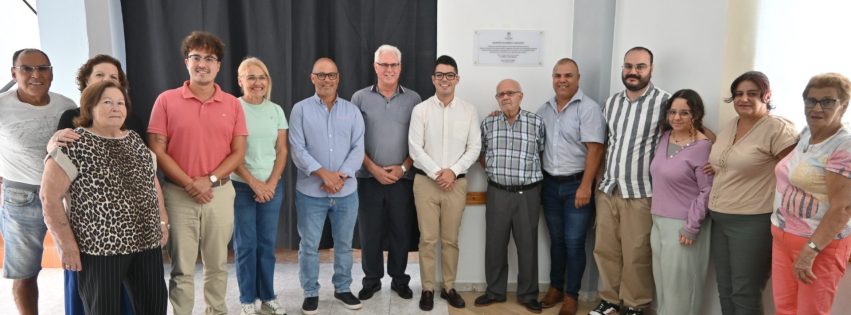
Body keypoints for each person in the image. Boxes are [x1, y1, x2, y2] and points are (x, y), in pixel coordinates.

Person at [40, 80, 169, 315]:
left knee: (154, 307)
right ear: (89, 107)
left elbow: (152, 185)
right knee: (103, 310)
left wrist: (162, 221)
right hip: (99, 249)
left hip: (146, 241)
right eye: (107, 102)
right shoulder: (73, 144)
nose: (115, 108)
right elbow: (49, 198)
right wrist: (67, 244)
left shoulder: (134, 141)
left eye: (120, 103)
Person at [147, 31, 248, 315]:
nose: (202, 64)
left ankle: (216, 310)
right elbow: (157, 149)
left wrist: (210, 180)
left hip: (220, 193)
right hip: (179, 195)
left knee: (217, 265)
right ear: (186, 62)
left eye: (209, 58)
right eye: (196, 57)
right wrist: (191, 183)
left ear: (218, 66)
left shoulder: (232, 104)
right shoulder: (166, 100)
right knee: (182, 268)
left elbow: (238, 152)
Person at [47, 53, 138, 315]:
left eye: (113, 77)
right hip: (89, 233)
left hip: (129, 232)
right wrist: (51, 143)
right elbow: (54, 169)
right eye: (100, 75)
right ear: (86, 80)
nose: (107, 81)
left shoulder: (130, 119)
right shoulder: (70, 118)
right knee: (93, 299)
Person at [708, 71, 797, 315]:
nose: (743, 99)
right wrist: (716, 164)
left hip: (752, 222)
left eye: (752, 94)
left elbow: (795, 176)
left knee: (744, 292)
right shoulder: (731, 125)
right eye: (738, 94)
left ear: (766, 96)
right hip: (719, 218)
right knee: (725, 288)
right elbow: (731, 159)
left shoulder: (777, 129)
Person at [591, 47, 669, 315]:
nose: (633, 72)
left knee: (637, 253)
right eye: (628, 66)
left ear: (651, 69)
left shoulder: (665, 102)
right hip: (608, 190)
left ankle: (636, 304)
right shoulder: (611, 102)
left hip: (640, 192)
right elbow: (606, 143)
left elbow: (685, 133)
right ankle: (610, 301)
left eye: (640, 66)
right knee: (605, 249)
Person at [0, 48, 76, 315]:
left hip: (65, 196)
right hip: (21, 197)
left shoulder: (66, 105)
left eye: (42, 68)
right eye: (27, 69)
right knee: (26, 273)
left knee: (77, 264)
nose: (36, 75)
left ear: (52, 73)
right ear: (14, 73)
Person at [289, 57, 365, 315]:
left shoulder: (352, 111)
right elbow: (297, 149)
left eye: (331, 75)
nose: (326, 80)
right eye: (320, 75)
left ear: (338, 78)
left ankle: (343, 288)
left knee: (344, 244)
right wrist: (324, 175)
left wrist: (339, 176)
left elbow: (358, 148)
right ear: (312, 78)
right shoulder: (299, 110)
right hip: (311, 192)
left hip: (346, 192)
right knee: (309, 245)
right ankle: (310, 293)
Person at [771, 73, 851, 315]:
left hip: (817, 245)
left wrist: (810, 250)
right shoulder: (807, 132)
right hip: (783, 237)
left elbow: (843, 209)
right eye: (811, 100)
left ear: (844, 105)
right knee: (784, 309)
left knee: (810, 312)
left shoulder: (844, 146)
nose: (816, 108)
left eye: (827, 101)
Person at [408, 55, 481, 311]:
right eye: (440, 75)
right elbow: (415, 148)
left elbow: (474, 147)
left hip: (457, 184)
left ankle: (449, 287)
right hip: (426, 183)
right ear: (433, 79)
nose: (444, 79)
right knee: (427, 240)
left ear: (457, 79)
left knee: (450, 240)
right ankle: (427, 288)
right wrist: (439, 172)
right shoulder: (421, 110)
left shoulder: (469, 110)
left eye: (450, 75)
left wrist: (454, 171)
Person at [351, 44, 421, 301]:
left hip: (403, 179)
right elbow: (354, 140)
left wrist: (403, 168)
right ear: (375, 67)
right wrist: (373, 168)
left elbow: (420, 140)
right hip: (369, 178)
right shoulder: (359, 98)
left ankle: (400, 280)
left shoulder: (414, 99)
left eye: (393, 65)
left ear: (400, 67)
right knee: (369, 233)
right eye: (384, 65)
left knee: (401, 232)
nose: (389, 69)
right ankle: (371, 281)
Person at [537, 58, 606, 315]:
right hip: (550, 186)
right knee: (557, 241)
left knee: (575, 242)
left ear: (578, 78)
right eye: (557, 75)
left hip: (577, 184)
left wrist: (586, 186)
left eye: (568, 75)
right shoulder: (544, 110)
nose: (562, 80)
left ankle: (571, 295)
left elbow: (596, 149)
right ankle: (555, 287)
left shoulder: (588, 108)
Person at [474, 79, 545, 313]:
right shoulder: (489, 123)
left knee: (528, 246)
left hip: (528, 194)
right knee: (494, 244)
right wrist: (494, 170)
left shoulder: (536, 122)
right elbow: (480, 153)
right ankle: (494, 291)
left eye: (510, 93)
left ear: (521, 96)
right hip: (497, 192)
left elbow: (543, 153)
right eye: (501, 94)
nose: (505, 97)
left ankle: (528, 294)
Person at [232, 57, 288, 315]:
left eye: (261, 77)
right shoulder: (233, 108)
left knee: (266, 244)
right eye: (251, 77)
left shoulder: (275, 110)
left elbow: (282, 150)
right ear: (240, 81)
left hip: (271, 187)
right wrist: (254, 183)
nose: (257, 82)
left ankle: (267, 295)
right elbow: (229, 152)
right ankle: (247, 299)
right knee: (246, 245)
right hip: (242, 188)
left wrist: (271, 183)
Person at [648, 89, 713, 315]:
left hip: (684, 224)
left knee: (681, 287)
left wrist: (691, 226)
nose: (677, 118)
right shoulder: (666, 137)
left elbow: (707, 190)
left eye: (684, 113)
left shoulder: (703, 147)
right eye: (673, 112)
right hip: (658, 220)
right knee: (663, 283)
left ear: (695, 114)